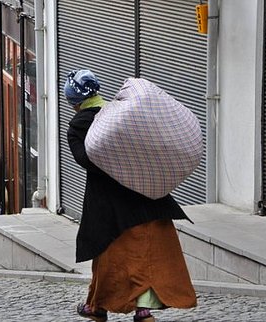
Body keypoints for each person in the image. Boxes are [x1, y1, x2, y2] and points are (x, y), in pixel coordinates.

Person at [65, 70, 196, 322]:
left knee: (110, 256)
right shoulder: (120, 112)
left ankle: (98, 307)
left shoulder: (80, 124)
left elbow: (85, 160)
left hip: (110, 204)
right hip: (145, 196)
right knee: (149, 254)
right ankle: (142, 309)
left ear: (74, 102)